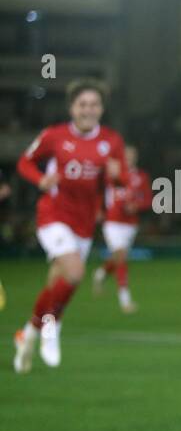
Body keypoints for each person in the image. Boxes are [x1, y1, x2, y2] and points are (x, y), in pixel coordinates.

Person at [13, 80, 125, 373]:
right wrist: (40, 180)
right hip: (53, 215)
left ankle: (28, 332)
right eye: (82, 104)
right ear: (72, 108)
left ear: (101, 108)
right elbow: (25, 163)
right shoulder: (55, 136)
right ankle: (51, 329)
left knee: (56, 284)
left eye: (94, 104)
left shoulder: (111, 141)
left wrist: (117, 175)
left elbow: (123, 179)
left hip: (84, 223)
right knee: (74, 273)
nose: (88, 110)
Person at [93, 144, 149, 313]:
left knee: (118, 257)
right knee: (122, 256)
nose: (129, 159)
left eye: (132, 156)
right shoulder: (111, 175)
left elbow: (148, 199)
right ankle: (125, 300)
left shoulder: (141, 177)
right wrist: (98, 210)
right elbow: (98, 192)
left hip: (130, 224)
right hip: (113, 221)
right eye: (126, 156)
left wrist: (136, 206)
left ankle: (101, 274)